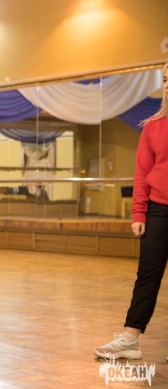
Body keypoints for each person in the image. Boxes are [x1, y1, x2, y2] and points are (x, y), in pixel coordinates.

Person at [94, 62, 168, 360]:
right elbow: (142, 173)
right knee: (147, 274)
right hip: (158, 210)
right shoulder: (153, 126)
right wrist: (139, 213)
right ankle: (130, 339)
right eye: (165, 79)